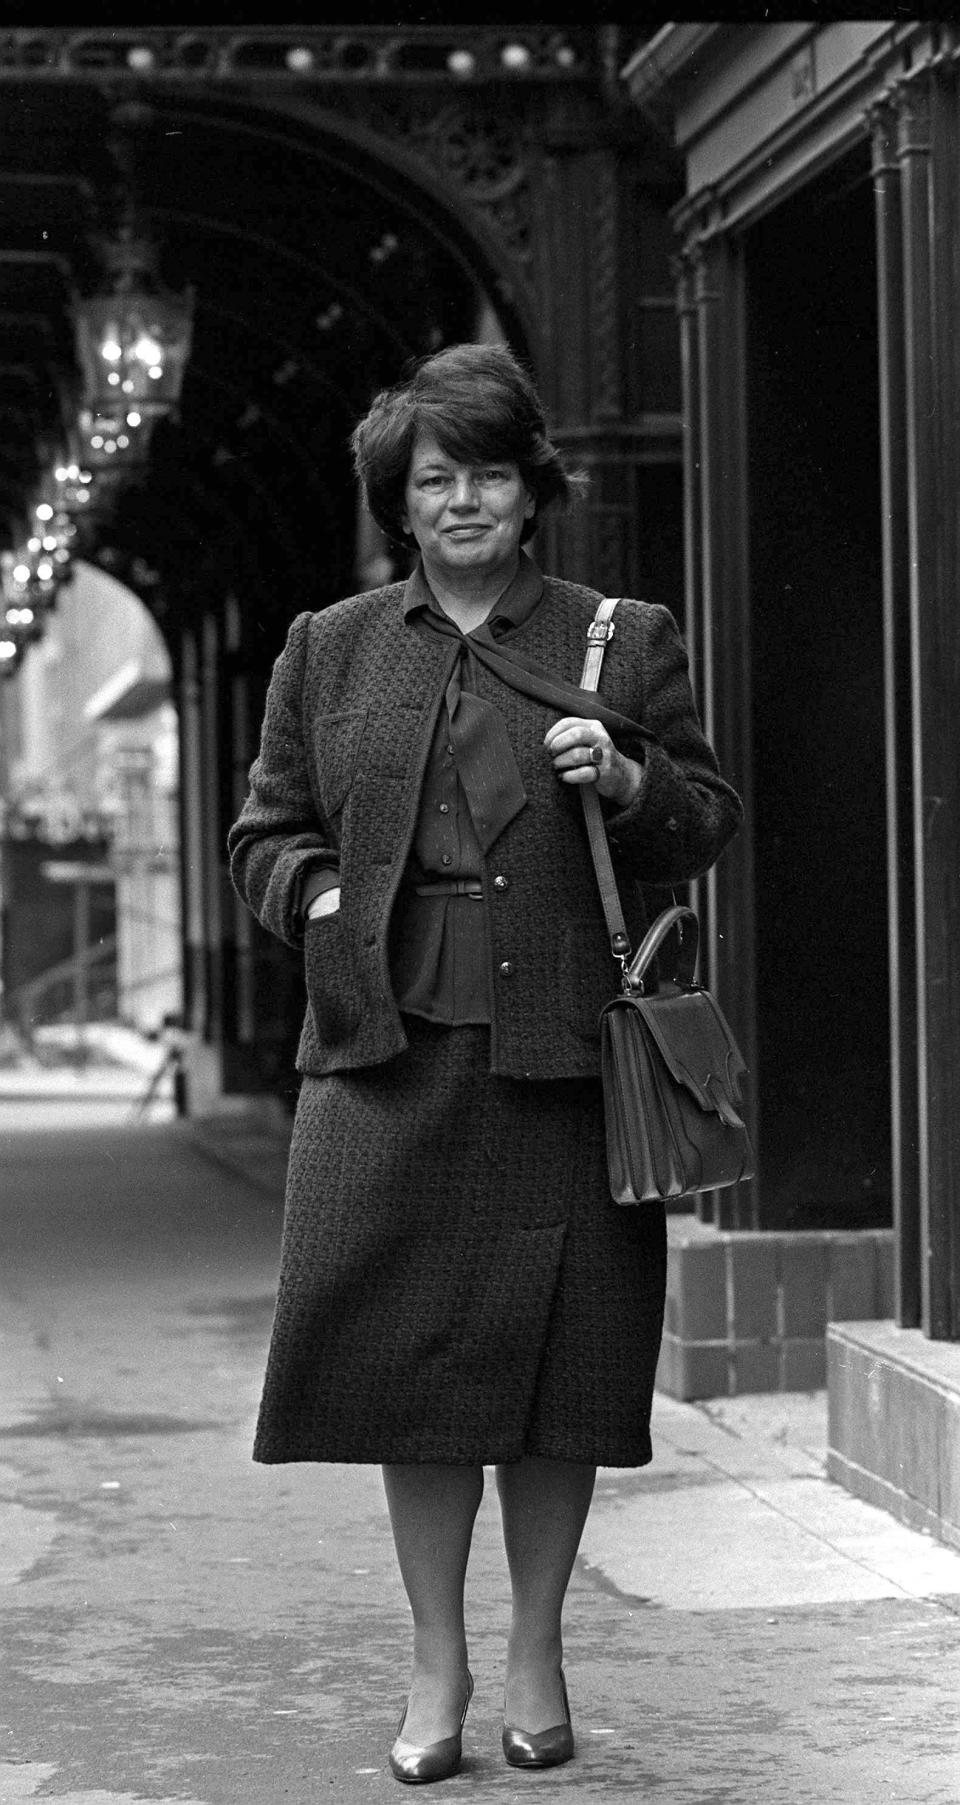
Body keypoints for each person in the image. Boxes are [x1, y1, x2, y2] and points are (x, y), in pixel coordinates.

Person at [227, 341, 742, 1784]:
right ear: (400, 498)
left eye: (489, 474)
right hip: (385, 1060)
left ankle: (536, 1651)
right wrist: (323, 902)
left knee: (562, 1371)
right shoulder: (329, 647)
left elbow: (707, 816)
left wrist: (630, 781)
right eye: (434, 477)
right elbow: (265, 834)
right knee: (410, 1369)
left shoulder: (616, 638)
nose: (462, 500)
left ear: (534, 492)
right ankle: (434, 1661)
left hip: (563, 1059)